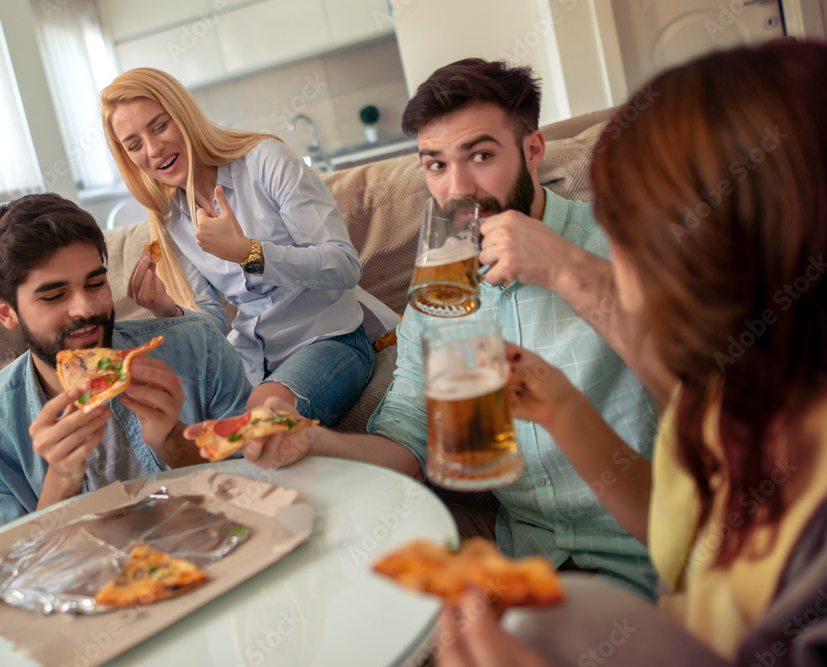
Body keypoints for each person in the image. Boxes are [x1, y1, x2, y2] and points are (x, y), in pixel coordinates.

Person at [207, 59, 662, 599]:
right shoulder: (440, 290)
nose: (457, 190)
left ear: (533, 151)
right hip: (526, 555)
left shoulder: (627, 238)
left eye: (482, 156)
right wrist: (313, 439)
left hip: (651, 549)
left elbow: (705, 374)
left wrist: (568, 269)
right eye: (436, 165)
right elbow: (409, 442)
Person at [435, 39, 827, 666]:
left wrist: (568, 270)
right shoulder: (727, 403)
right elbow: (683, 536)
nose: (613, 254)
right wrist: (562, 407)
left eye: (629, 233)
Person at [0, 193, 251, 538]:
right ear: (7, 313)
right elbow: (8, 572)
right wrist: (60, 482)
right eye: (54, 296)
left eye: (95, 284)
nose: (85, 309)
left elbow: (263, 487)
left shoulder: (200, 347)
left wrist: (174, 443)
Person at [99, 68, 376, 427]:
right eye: (134, 144)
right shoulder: (172, 220)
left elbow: (344, 264)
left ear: (184, 116)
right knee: (178, 421)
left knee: (260, 423)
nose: (153, 150)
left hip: (329, 339)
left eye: (159, 126)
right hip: (249, 356)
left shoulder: (266, 161)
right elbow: (212, 322)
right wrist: (169, 309)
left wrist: (250, 254)